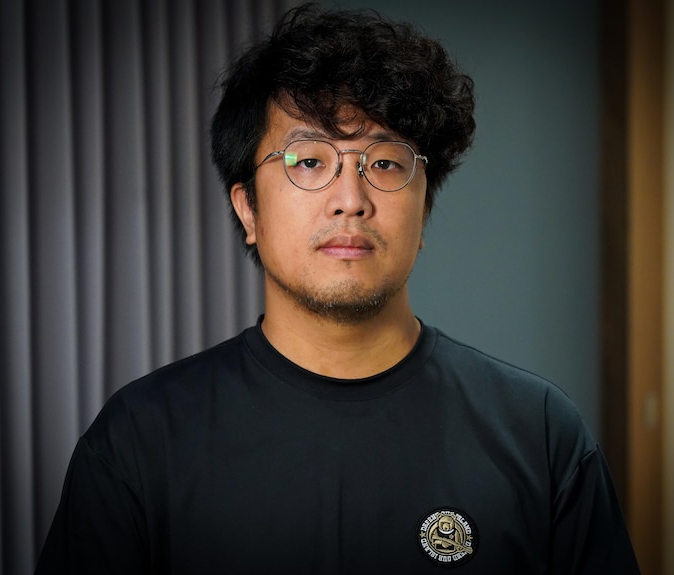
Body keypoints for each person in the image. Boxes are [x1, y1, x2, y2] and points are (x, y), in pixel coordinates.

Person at [35, 4, 640, 574]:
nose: (351, 200)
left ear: (424, 212)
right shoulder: (139, 441)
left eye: (384, 163)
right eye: (308, 162)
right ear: (248, 210)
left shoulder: (539, 432)